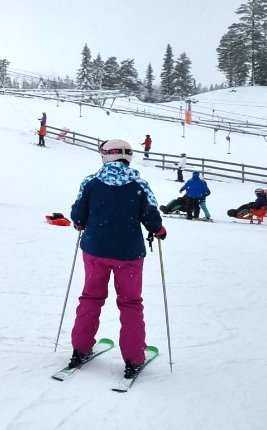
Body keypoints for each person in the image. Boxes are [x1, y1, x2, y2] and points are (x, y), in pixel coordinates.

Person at [67, 139, 165, 380]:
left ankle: (80, 349)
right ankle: (133, 358)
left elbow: (78, 215)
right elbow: (151, 216)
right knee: (130, 303)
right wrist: (159, 230)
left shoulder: (91, 182)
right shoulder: (139, 184)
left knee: (90, 297)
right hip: (128, 254)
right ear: (128, 156)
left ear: (105, 155)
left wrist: (82, 222)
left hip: (95, 250)